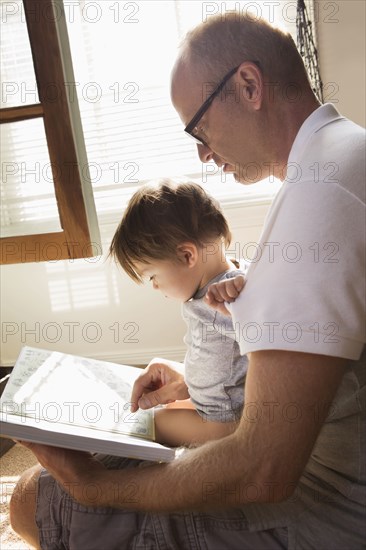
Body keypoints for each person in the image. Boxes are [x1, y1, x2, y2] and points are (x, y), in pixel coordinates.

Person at [10, 12, 365, 550]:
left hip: (327, 509)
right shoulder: (343, 155)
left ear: (249, 86)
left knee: (32, 499)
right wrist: (187, 378)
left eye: (199, 127)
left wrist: (101, 488)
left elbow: (262, 471)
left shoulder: (320, 200)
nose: (201, 151)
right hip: (326, 458)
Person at [109, 178, 248, 447]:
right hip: (211, 408)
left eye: (151, 276)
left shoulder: (228, 295)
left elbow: (277, 337)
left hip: (224, 425)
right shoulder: (211, 288)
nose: (155, 286)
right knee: (160, 411)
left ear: (187, 256)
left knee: (148, 424)